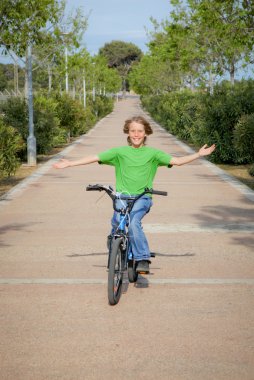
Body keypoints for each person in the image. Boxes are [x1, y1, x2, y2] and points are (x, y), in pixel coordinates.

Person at [54, 115, 215, 274]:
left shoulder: (153, 154)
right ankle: (116, 248)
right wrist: (69, 163)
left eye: (139, 131)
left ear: (146, 133)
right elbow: (95, 157)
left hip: (142, 198)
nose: (136, 134)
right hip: (122, 197)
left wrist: (198, 154)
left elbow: (177, 161)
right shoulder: (119, 152)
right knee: (117, 224)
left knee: (133, 223)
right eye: (133, 131)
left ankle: (142, 258)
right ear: (128, 133)